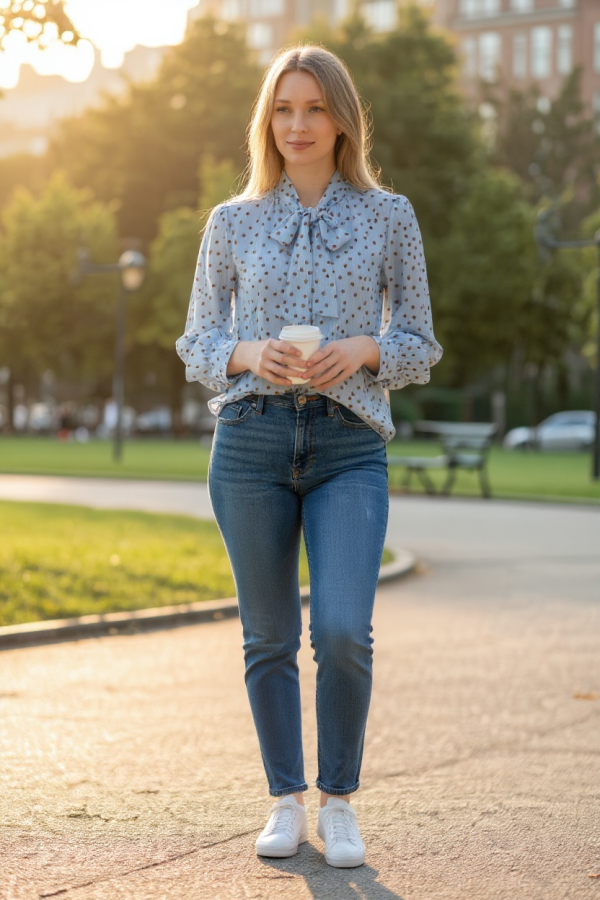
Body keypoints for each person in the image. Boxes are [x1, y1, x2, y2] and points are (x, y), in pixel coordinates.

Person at [176, 44, 442, 868]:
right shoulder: (232, 220)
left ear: (341, 119)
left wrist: (363, 348)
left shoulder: (388, 214)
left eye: (314, 109)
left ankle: (341, 799)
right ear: (268, 122)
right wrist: (252, 355)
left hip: (347, 446)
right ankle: (285, 799)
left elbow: (419, 342)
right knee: (266, 638)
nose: (298, 125)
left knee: (341, 630)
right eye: (284, 110)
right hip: (251, 443)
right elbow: (196, 340)